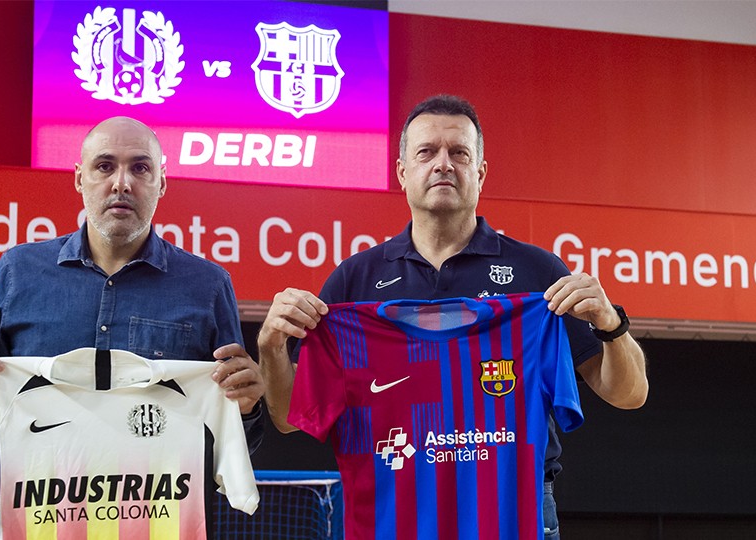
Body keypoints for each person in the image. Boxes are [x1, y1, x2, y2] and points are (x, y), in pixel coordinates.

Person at [258, 95, 648, 539]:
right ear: (403, 172)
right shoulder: (354, 282)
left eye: (459, 153)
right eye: (426, 152)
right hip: (393, 509)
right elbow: (290, 418)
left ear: (480, 173)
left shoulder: (539, 276)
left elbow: (629, 395)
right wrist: (271, 347)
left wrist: (610, 326)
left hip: (513, 510)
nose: (443, 164)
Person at [0, 117, 264, 535]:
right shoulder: (18, 271)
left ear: (162, 183)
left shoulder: (208, 285)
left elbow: (232, 437)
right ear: (79, 178)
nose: (122, 182)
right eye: (105, 166)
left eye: (140, 168)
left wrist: (246, 407)